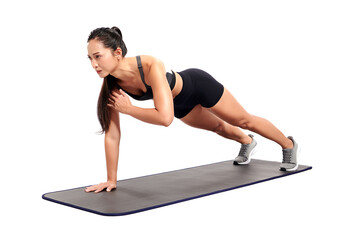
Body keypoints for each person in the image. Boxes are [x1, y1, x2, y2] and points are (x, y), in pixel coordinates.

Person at [85, 27, 299, 193]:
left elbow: (165, 118)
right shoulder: (111, 85)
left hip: (197, 86)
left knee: (243, 120)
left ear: (117, 53)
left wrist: (130, 110)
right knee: (218, 127)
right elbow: (112, 135)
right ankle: (247, 142)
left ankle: (288, 145)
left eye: (98, 56)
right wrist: (111, 179)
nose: (94, 64)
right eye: (90, 58)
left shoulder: (150, 65)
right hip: (179, 104)